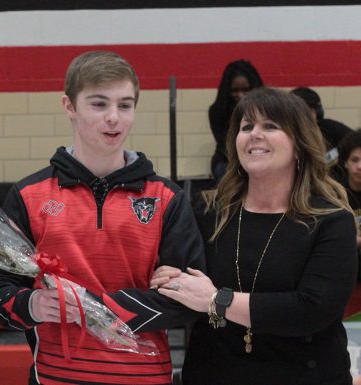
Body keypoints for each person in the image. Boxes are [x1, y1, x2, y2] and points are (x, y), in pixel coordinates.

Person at [0, 51, 206, 385]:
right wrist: (34, 304)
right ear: (69, 106)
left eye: (125, 105)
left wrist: (88, 305)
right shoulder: (28, 196)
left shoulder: (166, 198)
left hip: (145, 379)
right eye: (99, 105)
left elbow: (190, 303)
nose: (114, 118)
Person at [151, 87, 357, 384]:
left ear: (299, 145)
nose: (255, 134)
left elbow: (311, 310)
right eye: (247, 127)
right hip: (214, 374)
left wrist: (215, 300)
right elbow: (181, 283)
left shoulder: (331, 220)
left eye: (271, 126)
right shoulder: (206, 211)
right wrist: (167, 278)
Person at [209, 59, 264, 183]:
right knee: (227, 172)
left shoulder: (266, 110)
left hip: (260, 155)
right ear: (227, 90)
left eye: (245, 90)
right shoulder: (217, 111)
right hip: (228, 160)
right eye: (235, 90)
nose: (240, 95)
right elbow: (225, 146)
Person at [291, 86, 352, 182]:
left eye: (307, 112)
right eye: (299, 113)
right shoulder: (287, 135)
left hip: (338, 184)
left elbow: (356, 142)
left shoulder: (331, 128)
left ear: (317, 112)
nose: (303, 118)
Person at [338, 128, 361, 279]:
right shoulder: (334, 194)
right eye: (355, 160)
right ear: (345, 162)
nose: (360, 166)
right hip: (343, 271)